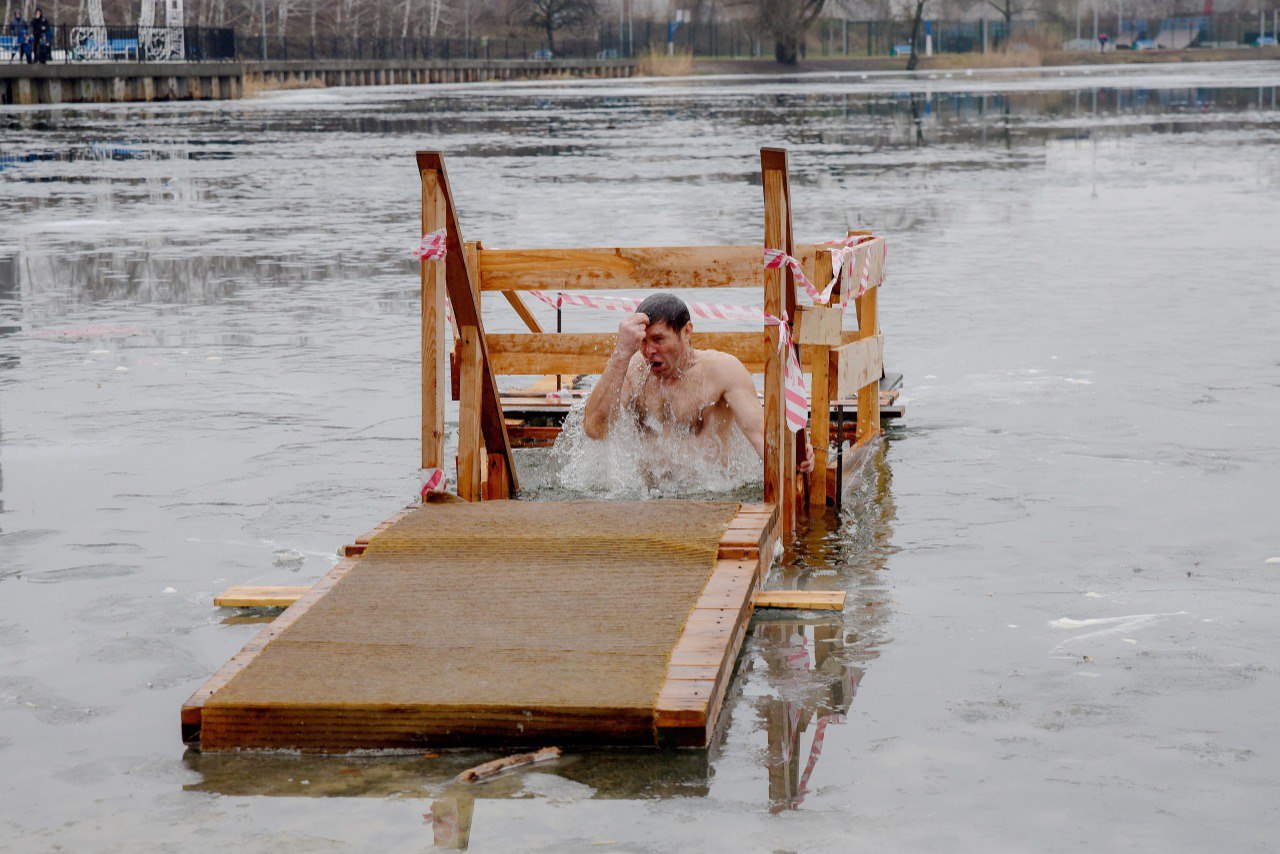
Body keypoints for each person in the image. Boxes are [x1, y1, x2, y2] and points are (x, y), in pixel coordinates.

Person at [583, 292, 814, 474]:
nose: (649, 351)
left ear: (686, 332)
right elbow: (594, 429)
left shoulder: (722, 371)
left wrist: (793, 456)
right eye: (644, 341)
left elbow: (760, 436)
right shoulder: (633, 369)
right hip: (649, 496)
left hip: (711, 495)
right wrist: (621, 354)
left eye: (659, 339)